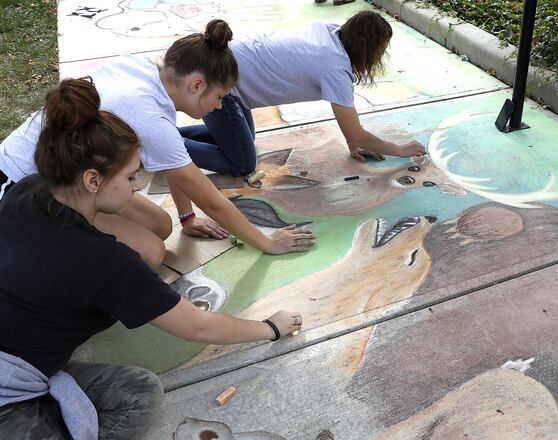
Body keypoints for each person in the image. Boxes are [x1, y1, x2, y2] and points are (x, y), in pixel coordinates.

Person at [0, 78, 303, 440]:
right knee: (136, 399)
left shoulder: (26, 192)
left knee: (136, 387)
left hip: (16, 346)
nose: (138, 184)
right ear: (93, 180)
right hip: (8, 389)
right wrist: (270, 327)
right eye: (131, 176)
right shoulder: (104, 262)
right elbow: (198, 326)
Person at [0, 19, 315, 269]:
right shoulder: (148, 114)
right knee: (150, 253)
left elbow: (173, 160)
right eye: (220, 97)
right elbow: (212, 200)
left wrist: (187, 217)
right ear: (196, 84)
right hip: (24, 192)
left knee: (160, 226)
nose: (220, 106)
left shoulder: (143, 72)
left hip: (58, 173)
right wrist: (266, 241)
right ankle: (47, 260)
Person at [179, 11, 425, 177]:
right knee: (242, 162)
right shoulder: (334, 66)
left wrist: (353, 142)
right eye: (380, 50)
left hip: (223, 65)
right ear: (366, 47)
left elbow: (353, 134)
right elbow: (357, 133)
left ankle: (168, 137)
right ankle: (158, 143)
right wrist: (400, 150)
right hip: (220, 81)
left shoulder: (332, 33)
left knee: (244, 140)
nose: (380, 57)